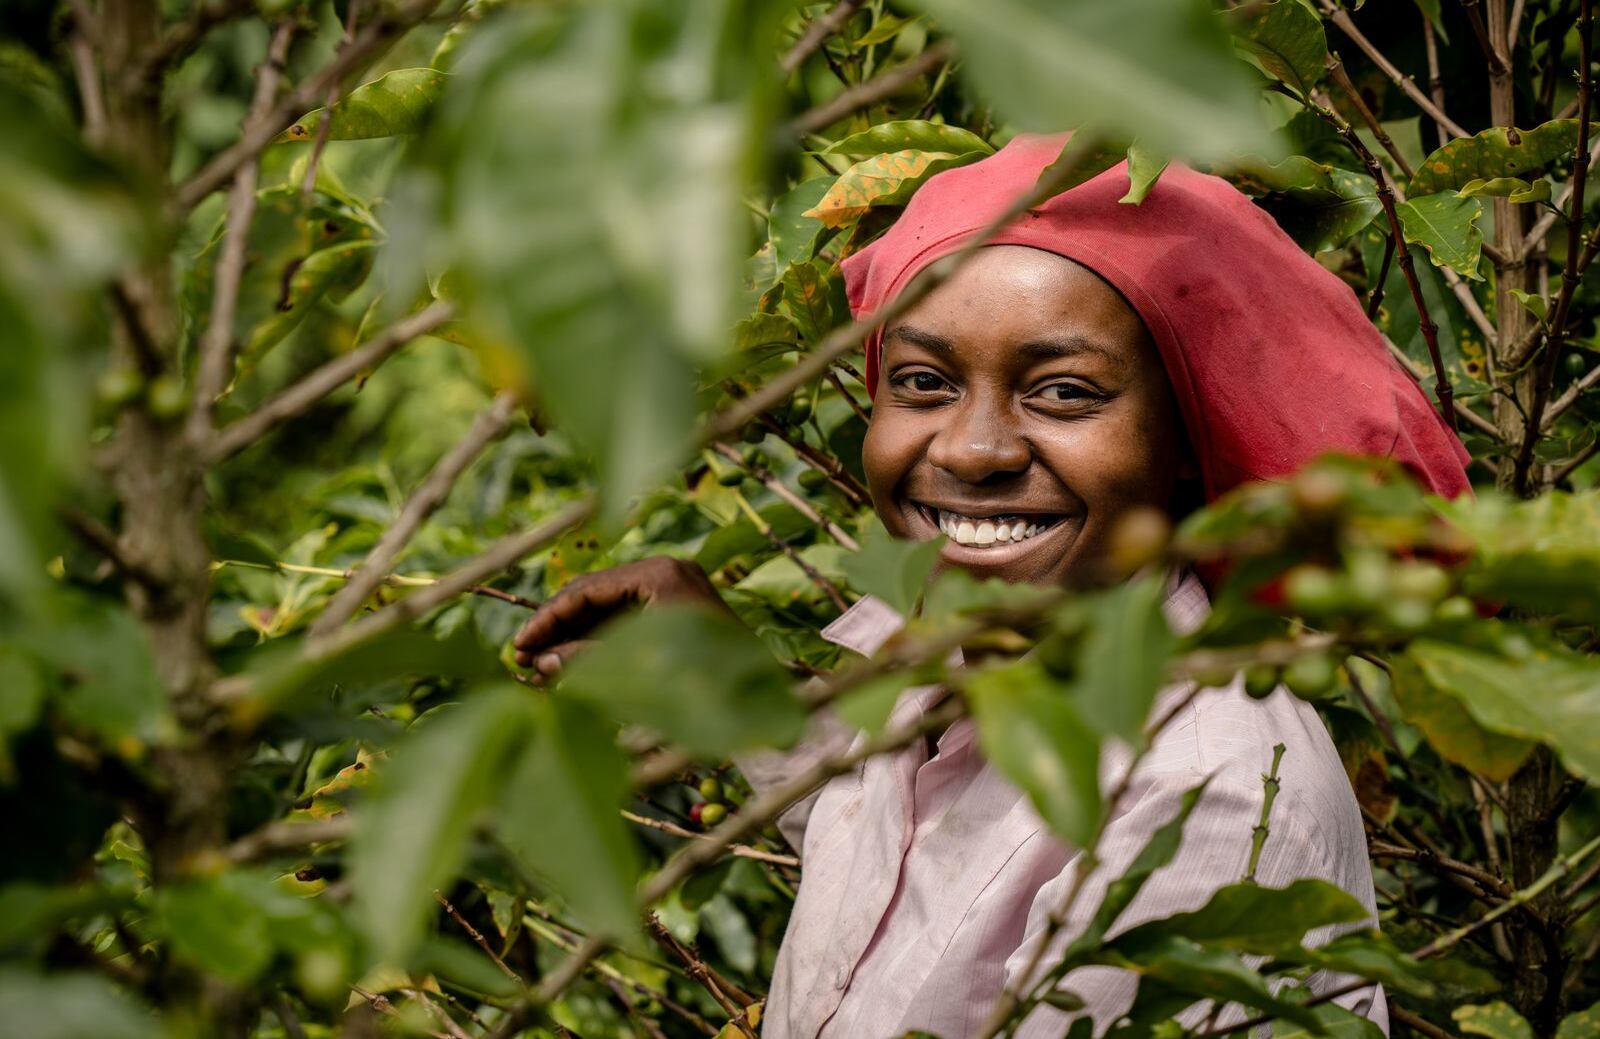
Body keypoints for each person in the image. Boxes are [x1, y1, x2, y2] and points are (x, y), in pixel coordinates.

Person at [511, 134, 1471, 1037]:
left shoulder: (1204, 799)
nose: (972, 450)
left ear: (1184, 443)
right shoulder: (949, 658)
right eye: (924, 381)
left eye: (1063, 393)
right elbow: (905, 862)